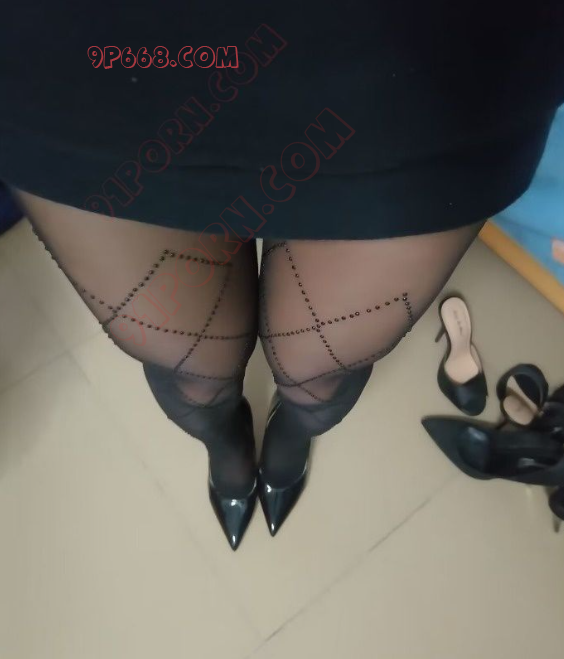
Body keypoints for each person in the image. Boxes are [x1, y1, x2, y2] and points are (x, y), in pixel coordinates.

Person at [1, 2, 563, 549]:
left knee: (321, 366)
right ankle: (226, 447)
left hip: (414, 46)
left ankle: (293, 431)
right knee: (186, 363)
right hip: (92, 51)